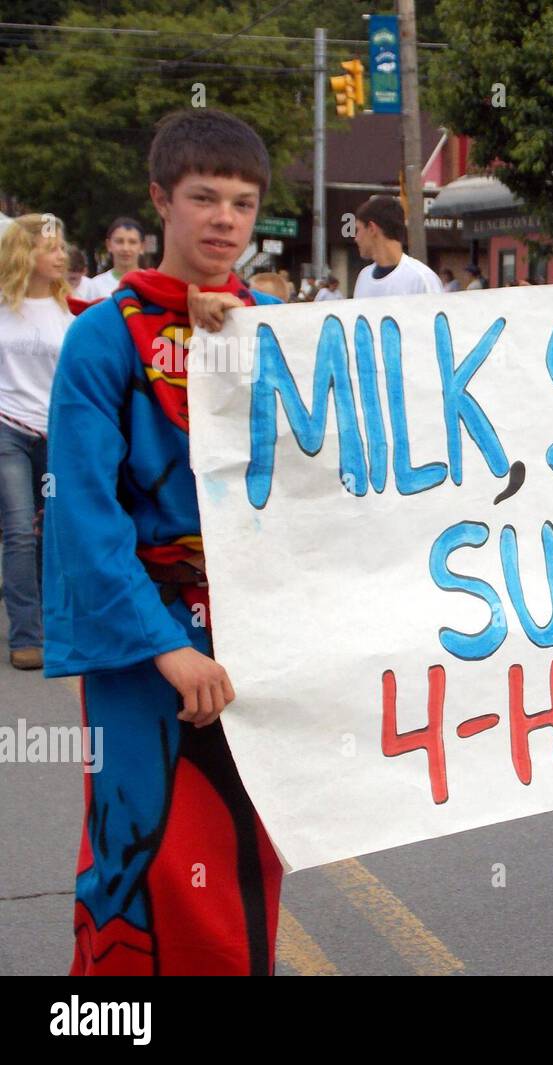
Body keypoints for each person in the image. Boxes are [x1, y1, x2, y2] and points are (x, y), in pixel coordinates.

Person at [43, 108, 284, 975]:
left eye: (245, 203)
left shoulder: (275, 331)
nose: (225, 219)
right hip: (143, 638)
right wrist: (162, 649)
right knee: (137, 846)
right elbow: (83, 512)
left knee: (249, 853)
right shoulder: (101, 337)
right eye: (204, 197)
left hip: (255, 633)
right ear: (160, 201)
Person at [0, 214, 72, 670]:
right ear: (26, 254)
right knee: (20, 532)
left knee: (53, 535)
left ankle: (55, 626)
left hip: (56, 433)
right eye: (51, 247)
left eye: (63, 247)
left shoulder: (71, 313)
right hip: (6, 429)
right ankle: (26, 636)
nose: (62, 255)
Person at [351, 195, 442, 298]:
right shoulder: (364, 277)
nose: (356, 238)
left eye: (358, 230)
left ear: (372, 229)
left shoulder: (422, 279)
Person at [81, 217, 145, 300]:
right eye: (119, 241)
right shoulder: (95, 286)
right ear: (109, 245)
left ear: (142, 247)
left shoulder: (152, 284)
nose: (125, 248)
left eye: (132, 242)